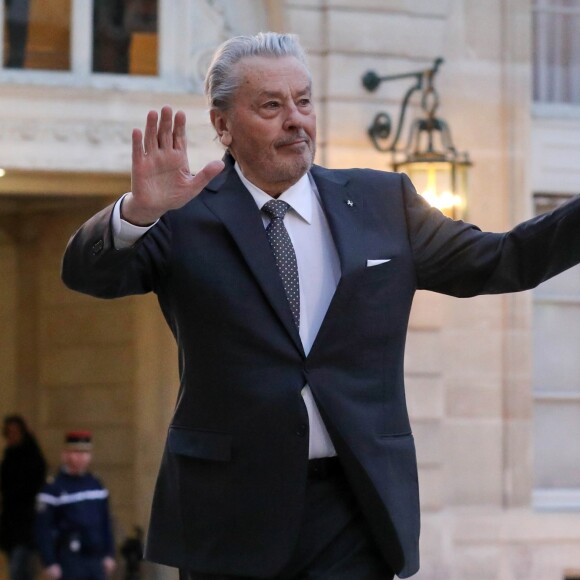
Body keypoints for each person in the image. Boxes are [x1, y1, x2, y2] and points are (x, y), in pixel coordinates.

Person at [60, 32, 580, 580]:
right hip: (229, 508)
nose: (295, 120)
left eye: (304, 101)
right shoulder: (185, 214)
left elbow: (506, 260)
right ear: (222, 125)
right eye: (271, 105)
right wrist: (138, 214)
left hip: (355, 505)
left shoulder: (385, 202)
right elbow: (89, 275)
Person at [35, 431, 116, 580]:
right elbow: (43, 529)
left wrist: (109, 554)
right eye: (76, 452)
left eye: (85, 453)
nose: (81, 457)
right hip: (69, 559)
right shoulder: (54, 488)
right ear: (65, 454)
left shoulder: (95, 484)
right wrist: (50, 562)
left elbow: (105, 522)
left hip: (95, 558)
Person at [0, 415, 47, 580]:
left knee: (19, 569)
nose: (12, 436)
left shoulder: (31, 459)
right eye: (9, 432)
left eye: (15, 432)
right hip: (12, 526)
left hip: (26, 526)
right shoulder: (9, 458)